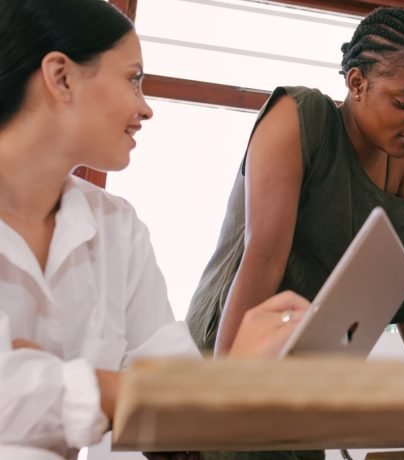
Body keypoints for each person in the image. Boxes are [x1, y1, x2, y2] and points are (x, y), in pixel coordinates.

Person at [0, 1, 309, 459]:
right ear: (61, 77)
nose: (146, 109)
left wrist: (228, 383)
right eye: (133, 78)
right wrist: (122, 393)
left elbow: (173, 398)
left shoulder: (118, 228)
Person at [186, 8, 404, 358]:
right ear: (357, 83)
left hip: (311, 357)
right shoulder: (298, 116)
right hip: (227, 346)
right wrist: (229, 380)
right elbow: (264, 257)